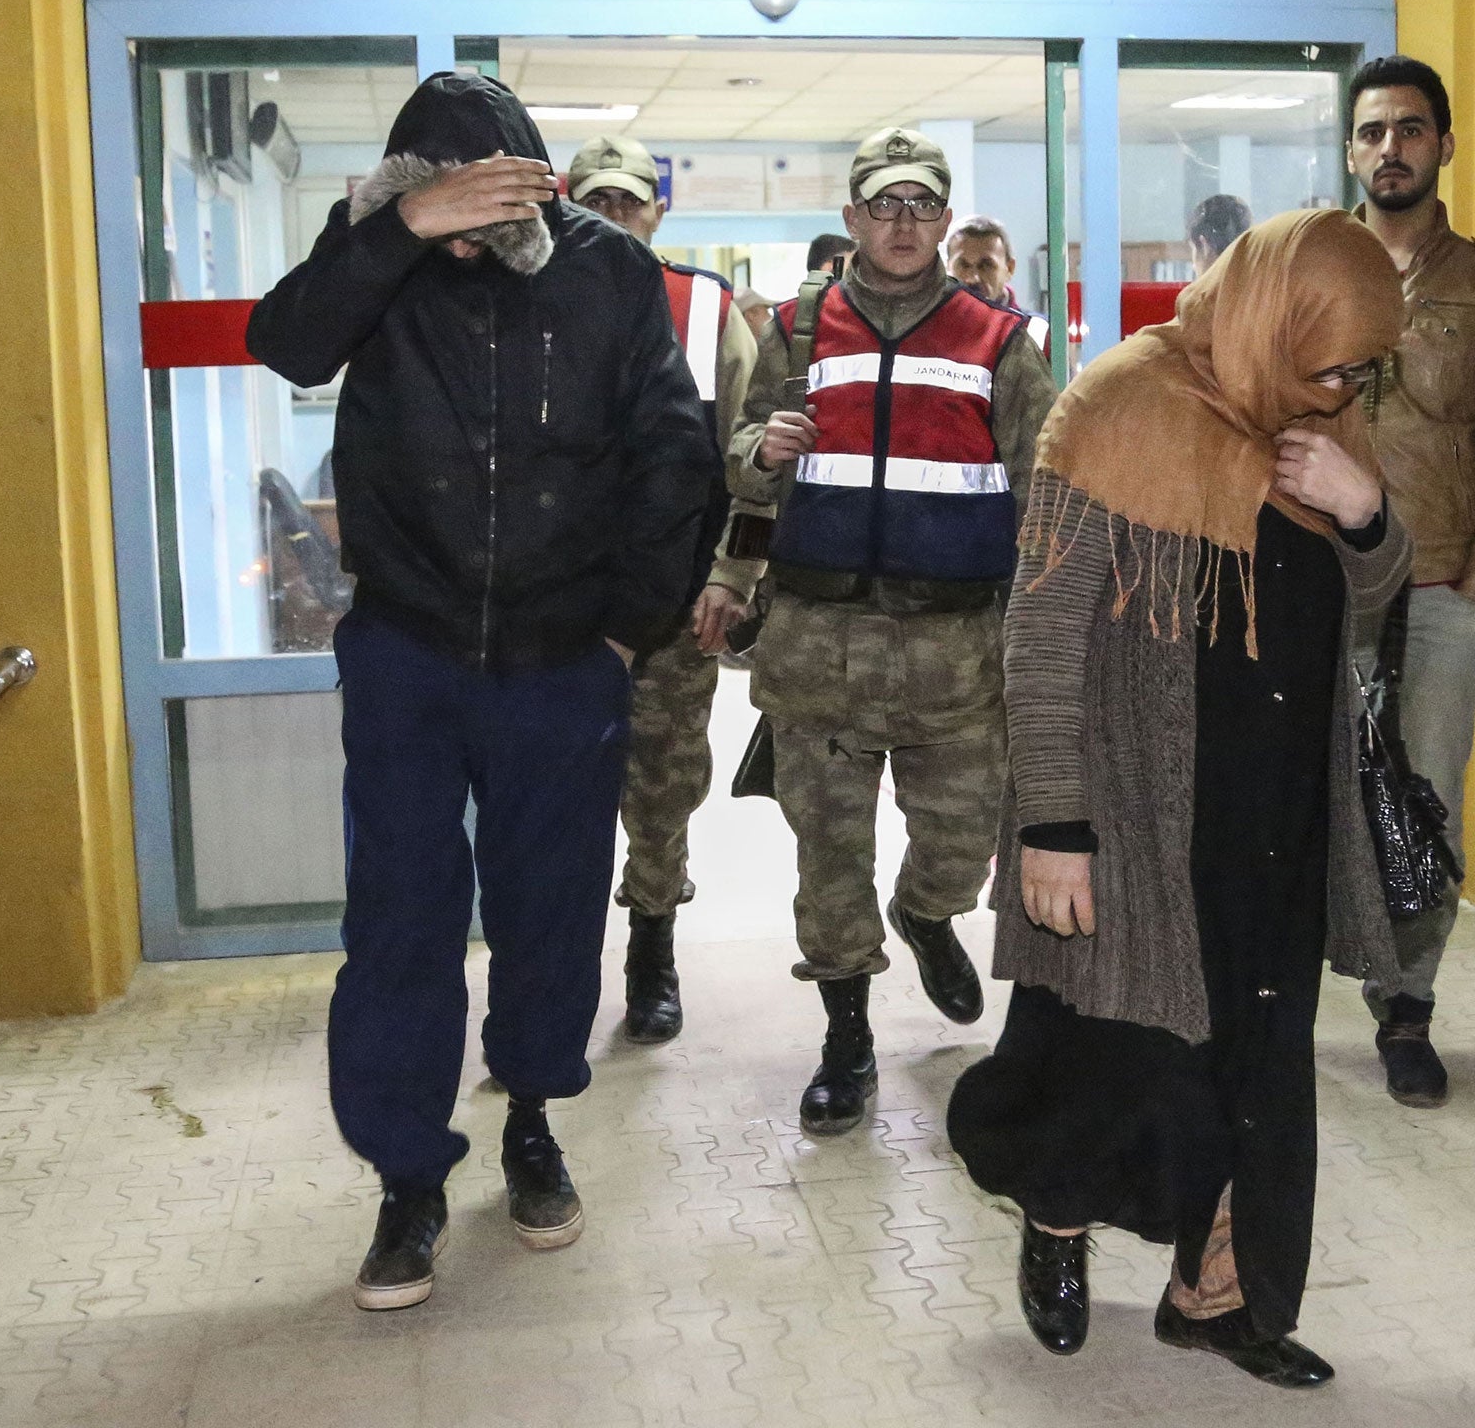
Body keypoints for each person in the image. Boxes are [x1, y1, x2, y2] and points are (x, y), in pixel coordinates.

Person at [246, 74, 719, 1311]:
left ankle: (532, 1121)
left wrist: (627, 628)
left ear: (530, 195)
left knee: (548, 906)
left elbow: (673, 450)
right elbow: (284, 340)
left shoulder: (605, 270)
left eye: (481, 208)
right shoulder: (372, 259)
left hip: (564, 657)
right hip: (408, 649)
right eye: (431, 202)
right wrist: (395, 232)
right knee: (400, 919)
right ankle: (406, 1177)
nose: (462, 232)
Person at [945, 209, 1411, 1385]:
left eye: (1356, 369)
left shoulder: (1321, 424)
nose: (1339, 387)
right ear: (1272, 318)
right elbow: (1040, 637)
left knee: (1256, 1059)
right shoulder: (1113, 411)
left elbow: (1370, 600)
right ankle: (1055, 1224)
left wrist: (1365, 516)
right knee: (1109, 1053)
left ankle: (1218, 1300)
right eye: (1327, 363)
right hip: (1132, 810)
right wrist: (1054, 825)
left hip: (1276, 811)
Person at [726, 127, 1057, 1136]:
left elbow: (1044, 489)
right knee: (827, 859)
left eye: (921, 205)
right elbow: (738, 466)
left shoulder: (1000, 342)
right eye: (884, 204)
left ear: (944, 220)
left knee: (958, 843)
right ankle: (845, 1039)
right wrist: (757, 450)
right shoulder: (791, 327)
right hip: (816, 644)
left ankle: (925, 913)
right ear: (852, 219)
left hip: (952, 652)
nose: (902, 223)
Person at [1345, 54, 1475, 1108]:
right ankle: (1271, 998)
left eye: (1410, 129)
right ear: (1349, 148)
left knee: (1419, 805)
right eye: (1373, 129)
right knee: (1299, 798)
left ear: (1442, 145)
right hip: (1318, 596)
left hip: (1434, 599)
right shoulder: (1302, 268)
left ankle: (1404, 1009)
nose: (1391, 147)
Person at [566, 133, 770, 1045]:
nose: (613, 219)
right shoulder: (526, 302)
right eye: (594, 203)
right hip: (557, 612)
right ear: (563, 204)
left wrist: (733, 580)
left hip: (671, 611)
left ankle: (653, 953)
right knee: (556, 796)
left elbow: (747, 463)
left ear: (657, 212)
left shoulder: (702, 308)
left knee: (660, 790)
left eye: (628, 204)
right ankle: (559, 968)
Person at [946, 213, 1050, 350]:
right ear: (947, 268)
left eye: (986, 265)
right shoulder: (933, 329)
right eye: (963, 266)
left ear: (1010, 268)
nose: (973, 278)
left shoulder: (1036, 333)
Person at [1188, 193, 1252, 276]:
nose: (1193, 266)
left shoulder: (1200, 289)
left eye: (1193, 248)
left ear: (1205, 246)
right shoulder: (1266, 284)